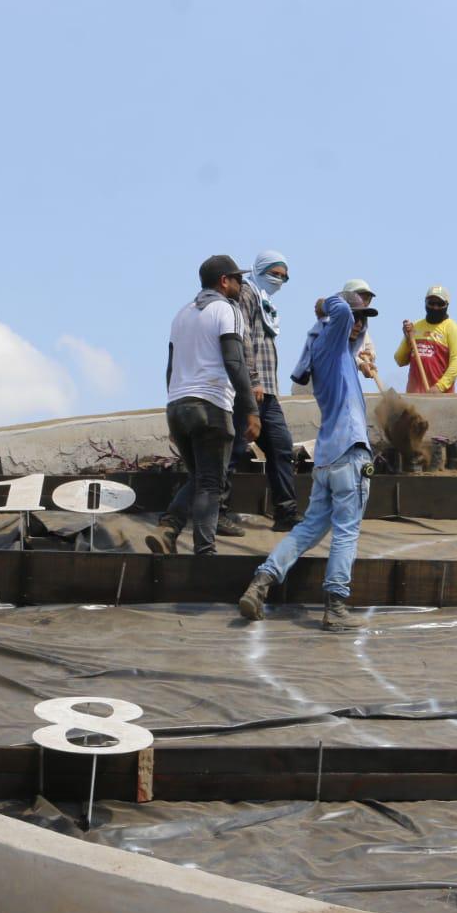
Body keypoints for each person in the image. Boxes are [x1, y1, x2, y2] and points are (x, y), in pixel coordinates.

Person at [239, 291, 379, 631]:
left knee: (309, 528)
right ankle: (335, 607)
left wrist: (359, 352)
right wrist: (326, 303)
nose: (360, 324)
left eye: (365, 320)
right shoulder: (333, 336)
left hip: (328, 458)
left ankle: (261, 583)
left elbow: (346, 329)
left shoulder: (327, 351)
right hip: (350, 454)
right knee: (346, 532)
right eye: (357, 319)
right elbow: (341, 310)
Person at [147, 256, 260, 556]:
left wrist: (173, 414)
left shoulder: (181, 315)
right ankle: (205, 553)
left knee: (199, 478)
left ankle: (169, 528)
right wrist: (251, 409)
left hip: (178, 407)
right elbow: (235, 362)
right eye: (237, 279)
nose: (241, 284)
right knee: (211, 483)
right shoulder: (228, 310)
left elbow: (170, 369)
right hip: (211, 406)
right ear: (224, 281)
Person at [221, 250, 297, 533]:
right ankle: (218, 512)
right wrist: (252, 380)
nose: (278, 280)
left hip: (269, 392)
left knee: (281, 448)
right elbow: (243, 337)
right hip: (250, 389)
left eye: (283, 277)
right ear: (259, 269)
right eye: (274, 274)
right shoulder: (248, 294)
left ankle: (286, 513)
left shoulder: (266, 303)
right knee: (234, 451)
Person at [292, 278, 379, 392]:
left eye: (367, 298)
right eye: (359, 296)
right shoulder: (331, 324)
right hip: (311, 390)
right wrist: (361, 364)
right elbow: (340, 352)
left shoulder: (360, 327)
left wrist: (370, 356)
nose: (363, 301)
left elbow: (367, 348)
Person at [394, 285, 457, 393]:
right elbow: (400, 360)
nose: (435, 307)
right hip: (414, 398)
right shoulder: (415, 327)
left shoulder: (453, 330)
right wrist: (408, 340)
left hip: (441, 399)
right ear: (425, 303)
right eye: (431, 303)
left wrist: (439, 387)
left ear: (447, 305)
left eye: (440, 304)